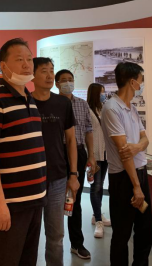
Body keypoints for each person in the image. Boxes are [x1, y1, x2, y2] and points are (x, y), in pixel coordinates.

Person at [0, 38, 47, 266]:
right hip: (9, 203)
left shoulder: (29, 98)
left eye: (29, 59)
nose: (27, 65)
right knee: (4, 260)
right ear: (3, 66)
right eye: (19, 60)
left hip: (34, 199)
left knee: (27, 261)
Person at [101, 62, 152, 266]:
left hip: (140, 172)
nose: (142, 85)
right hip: (124, 178)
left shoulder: (132, 108)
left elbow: (145, 139)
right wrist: (136, 187)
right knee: (122, 233)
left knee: (145, 230)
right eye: (141, 80)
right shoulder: (111, 108)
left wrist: (137, 147)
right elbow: (124, 153)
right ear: (132, 82)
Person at [32, 57, 80, 266]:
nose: (50, 75)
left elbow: (71, 140)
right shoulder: (24, 102)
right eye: (44, 71)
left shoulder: (63, 103)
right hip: (31, 178)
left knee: (56, 234)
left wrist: (73, 174)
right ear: (32, 75)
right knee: (29, 234)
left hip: (58, 177)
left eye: (51, 71)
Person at [55, 69, 96, 259]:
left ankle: (77, 243)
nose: (67, 83)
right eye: (63, 80)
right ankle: (54, 244)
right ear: (57, 84)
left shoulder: (81, 103)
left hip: (78, 152)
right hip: (57, 153)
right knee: (54, 199)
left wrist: (91, 155)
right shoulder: (53, 103)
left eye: (70, 79)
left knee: (74, 198)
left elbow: (88, 130)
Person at [86, 83, 111, 239]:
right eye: (101, 92)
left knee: (100, 186)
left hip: (105, 154)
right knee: (95, 186)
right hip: (94, 155)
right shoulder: (87, 110)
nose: (104, 94)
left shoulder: (103, 109)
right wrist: (89, 156)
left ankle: (97, 215)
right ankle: (98, 221)